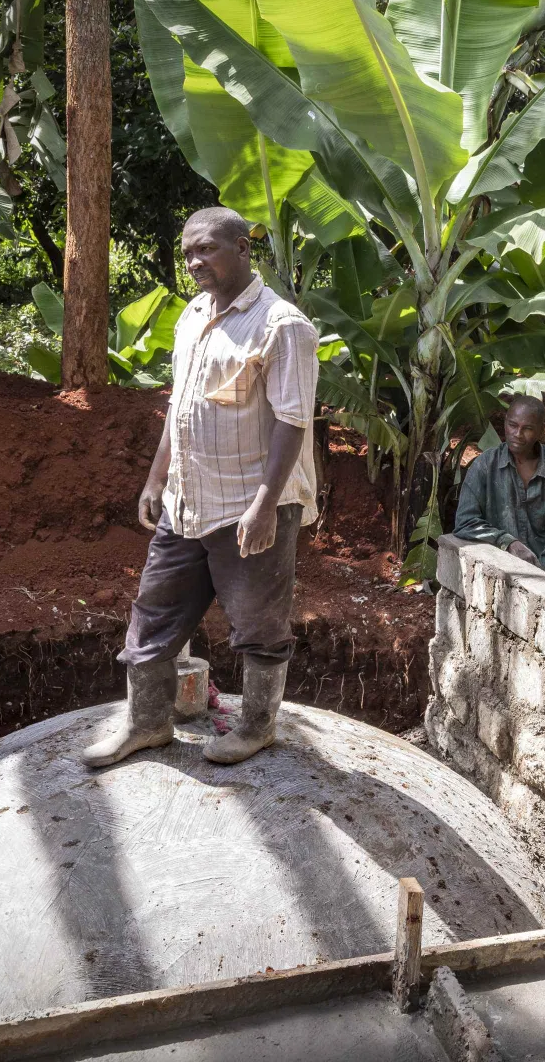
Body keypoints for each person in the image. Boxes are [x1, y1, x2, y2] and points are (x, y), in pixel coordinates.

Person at [81, 206, 320, 769]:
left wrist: (264, 506)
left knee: (260, 627)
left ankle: (257, 726)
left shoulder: (282, 325)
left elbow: (293, 420)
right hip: (184, 503)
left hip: (250, 506)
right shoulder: (192, 315)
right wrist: (155, 477)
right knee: (152, 615)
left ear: (242, 248)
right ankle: (148, 724)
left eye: (207, 249)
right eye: (188, 251)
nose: (194, 262)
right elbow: (179, 406)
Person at [453, 394, 545, 585]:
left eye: (528, 428)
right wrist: (508, 543)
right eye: (512, 425)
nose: (517, 434)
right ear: (505, 423)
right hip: (504, 576)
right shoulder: (485, 465)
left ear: (542, 431)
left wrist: (541, 569)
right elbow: (465, 522)